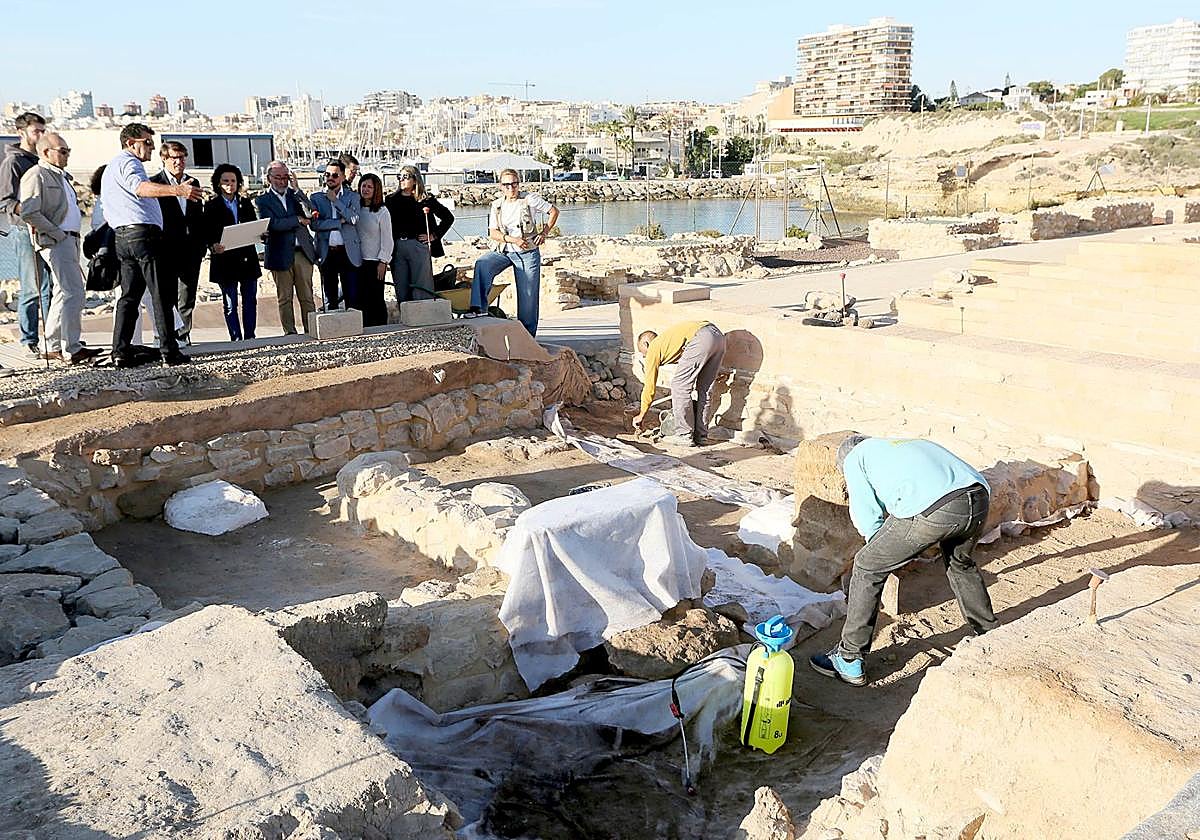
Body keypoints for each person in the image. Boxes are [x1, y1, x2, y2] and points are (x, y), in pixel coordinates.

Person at [809, 435, 999, 687]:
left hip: (936, 508)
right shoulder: (899, 445)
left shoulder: (855, 457)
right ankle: (989, 634)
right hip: (978, 497)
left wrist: (881, 552)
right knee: (959, 564)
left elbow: (867, 515)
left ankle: (849, 657)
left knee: (867, 566)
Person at [101, 123, 201, 367]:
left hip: (123, 236)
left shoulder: (112, 167)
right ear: (130, 143)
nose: (151, 147)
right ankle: (169, 351)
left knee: (130, 296)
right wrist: (178, 190)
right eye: (146, 142)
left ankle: (120, 352)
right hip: (142, 235)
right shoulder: (129, 163)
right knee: (162, 294)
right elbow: (140, 188)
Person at [18, 134, 101, 365]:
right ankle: (71, 348)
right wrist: (56, 234)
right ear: (46, 152)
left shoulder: (60, 176)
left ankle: (52, 345)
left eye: (68, 151)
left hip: (69, 239)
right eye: (62, 151)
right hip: (57, 241)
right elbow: (29, 211)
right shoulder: (36, 175)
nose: (67, 155)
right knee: (74, 292)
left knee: (62, 292)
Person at [469, 168, 558, 336]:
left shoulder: (529, 199)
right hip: (503, 250)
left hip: (527, 253)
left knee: (528, 296)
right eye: (507, 185)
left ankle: (527, 336)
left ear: (519, 184)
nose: (511, 188)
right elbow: (493, 233)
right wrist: (513, 240)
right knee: (482, 264)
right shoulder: (497, 205)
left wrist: (544, 233)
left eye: (514, 184)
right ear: (501, 186)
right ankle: (479, 308)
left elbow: (553, 211)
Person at [0, 112, 52, 359]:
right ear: (21, 132)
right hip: (25, 231)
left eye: (43, 131)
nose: (41, 136)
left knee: (52, 286)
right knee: (32, 287)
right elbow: (6, 202)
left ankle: (55, 336)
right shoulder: (13, 163)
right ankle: (29, 339)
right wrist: (30, 211)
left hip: (50, 229)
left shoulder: (43, 159)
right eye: (36, 131)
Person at [632, 322, 726, 448]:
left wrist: (641, 414)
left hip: (701, 337)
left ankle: (684, 434)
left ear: (646, 343)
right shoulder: (670, 342)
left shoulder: (654, 347)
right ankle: (701, 436)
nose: (644, 356)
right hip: (719, 338)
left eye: (643, 352)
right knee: (705, 389)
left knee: (679, 386)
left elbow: (649, 387)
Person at [149, 141, 205, 345]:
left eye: (182, 157)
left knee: (187, 296)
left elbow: (197, 216)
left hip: (191, 249)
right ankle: (169, 335)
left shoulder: (193, 182)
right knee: (167, 294)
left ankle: (184, 333)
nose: (179, 162)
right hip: (166, 249)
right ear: (164, 159)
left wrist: (202, 244)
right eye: (175, 158)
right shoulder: (156, 183)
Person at [255, 161, 315, 335]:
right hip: (279, 253)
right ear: (269, 178)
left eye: (285, 177)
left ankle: (311, 329)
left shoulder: (294, 195)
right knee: (285, 297)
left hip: (302, 252)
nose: (282, 182)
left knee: (307, 297)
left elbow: (310, 213)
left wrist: (297, 189)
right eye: (278, 178)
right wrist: (296, 220)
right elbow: (272, 224)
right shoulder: (262, 200)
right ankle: (290, 332)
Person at [203, 163, 261, 341]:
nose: (230, 184)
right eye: (226, 181)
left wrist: (261, 234)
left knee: (250, 300)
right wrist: (213, 246)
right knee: (230, 303)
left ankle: (250, 336)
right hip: (225, 260)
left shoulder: (246, 204)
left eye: (233, 180)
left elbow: (253, 227)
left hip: (247, 259)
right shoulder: (211, 206)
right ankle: (235, 338)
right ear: (218, 183)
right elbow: (207, 232)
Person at [384, 165, 454, 304]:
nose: (401, 180)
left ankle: (423, 318)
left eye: (406, 176)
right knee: (401, 287)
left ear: (415, 180)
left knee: (421, 287)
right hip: (396, 247)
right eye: (400, 177)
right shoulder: (391, 200)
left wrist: (434, 236)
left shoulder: (425, 200)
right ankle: (405, 319)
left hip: (418, 245)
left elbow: (448, 217)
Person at [309, 159, 361, 311]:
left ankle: (354, 331)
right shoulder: (316, 198)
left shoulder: (352, 197)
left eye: (335, 175)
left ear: (343, 177)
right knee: (329, 297)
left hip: (347, 252)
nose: (330, 178)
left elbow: (353, 219)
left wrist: (336, 201)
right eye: (327, 175)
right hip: (327, 253)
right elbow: (315, 225)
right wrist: (338, 222)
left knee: (351, 296)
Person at [354, 173, 393, 327]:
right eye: (363, 186)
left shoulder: (382, 212)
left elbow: (387, 239)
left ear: (376, 189)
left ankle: (379, 328)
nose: (366, 189)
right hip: (357, 261)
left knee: (375, 298)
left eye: (369, 186)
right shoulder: (355, 209)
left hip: (375, 262)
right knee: (359, 298)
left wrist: (383, 261)